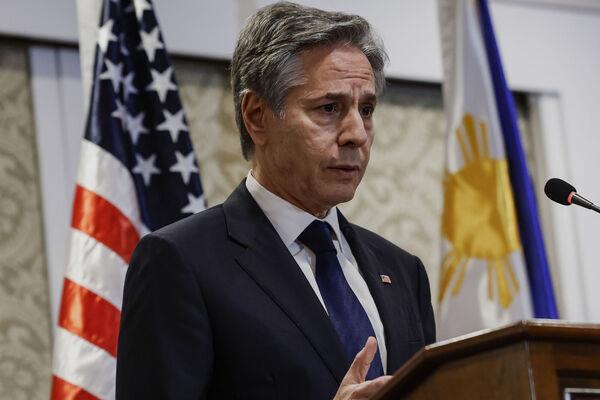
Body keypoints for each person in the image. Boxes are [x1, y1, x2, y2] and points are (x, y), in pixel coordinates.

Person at [116, 2, 436, 399]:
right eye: (330, 108)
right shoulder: (181, 262)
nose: (357, 133)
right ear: (256, 116)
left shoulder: (403, 271)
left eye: (366, 109)